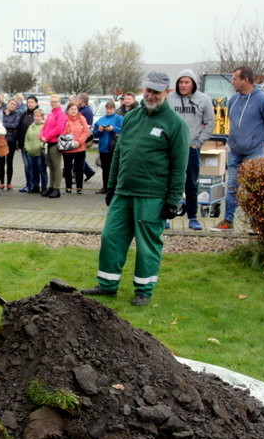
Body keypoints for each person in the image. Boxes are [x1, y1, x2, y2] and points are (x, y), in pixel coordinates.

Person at [81, 71, 188, 306]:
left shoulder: (176, 124)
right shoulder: (132, 117)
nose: (150, 96)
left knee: (147, 244)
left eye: (156, 92)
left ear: (167, 93)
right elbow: (119, 152)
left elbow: (180, 166)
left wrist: (172, 200)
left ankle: (144, 290)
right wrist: (111, 186)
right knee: (111, 237)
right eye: (148, 90)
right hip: (123, 192)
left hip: (152, 195)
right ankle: (107, 285)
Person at [212, 66, 264, 231]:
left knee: (254, 189)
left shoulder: (263, 99)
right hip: (234, 151)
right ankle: (228, 220)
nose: (232, 82)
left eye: (235, 78)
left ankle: (255, 224)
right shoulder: (233, 99)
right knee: (232, 187)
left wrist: (262, 140)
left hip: (254, 152)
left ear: (246, 80)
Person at [168, 69, 214, 231]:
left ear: (193, 83)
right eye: (181, 82)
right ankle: (166, 216)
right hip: (171, 148)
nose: (183, 85)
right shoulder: (170, 99)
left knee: (191, 183)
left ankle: (193, 217)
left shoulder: (204, 99)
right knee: (169, 181)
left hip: (191, 148)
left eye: (187, 82)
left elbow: (210, 123)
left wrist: (199, 142)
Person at [38, 94, 67, 197]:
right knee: (50, 165)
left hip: (55, 142)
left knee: (56, 166)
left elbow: (59, 129)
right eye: (52, 101)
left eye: (55, 101)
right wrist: (41, 135)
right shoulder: (51, 114)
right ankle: (51, 187)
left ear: (59, 102)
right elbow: (44, 127)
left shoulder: (61, 114)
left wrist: (47, 137)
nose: (53, 103)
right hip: (49, 142)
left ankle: (56, 188)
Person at [92, 100, 123, 195]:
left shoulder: (119, 118)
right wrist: (100, 130)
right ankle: (105, 187)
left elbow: (124, 129)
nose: (109, 111)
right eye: (107, 109)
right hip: (103, 148)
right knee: (105, 169)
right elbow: (94, 133)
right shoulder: (101, 120)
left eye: (111, 109)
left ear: (114, 109)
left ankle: (114, 188)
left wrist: (113, 128)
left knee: (114, 169)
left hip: (114, 148)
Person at [61, 102, 91, 194]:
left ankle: (79, 188)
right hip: (68, 148)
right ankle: (68, 187)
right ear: (68, 110)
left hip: (80, 148)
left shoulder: (82, 118)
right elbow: (62, 132)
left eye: (75, 109)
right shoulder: (64, 119)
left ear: (78, 110)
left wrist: (79, 142)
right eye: (71, 109)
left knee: (79, 168)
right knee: (67, 168)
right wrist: (71, 142)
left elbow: (86, 132)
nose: (73, 111)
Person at [16, 95, 40, 192]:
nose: (30, 104)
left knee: (34, 166)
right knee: (27, 166)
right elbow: (19, 129)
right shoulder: (24, 114)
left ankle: (35, 185)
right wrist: (18, 143)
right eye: (28, 102)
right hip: (24, 146)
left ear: (36, 103)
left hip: (35, 146)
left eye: (32, 102)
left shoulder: (39, 114)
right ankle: (28, 185)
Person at [24, 108, 48, 194]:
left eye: (38, 116)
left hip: (40, 152)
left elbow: (46, 138)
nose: (36, 118)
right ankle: (35, 186)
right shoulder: (31, 126)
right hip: (31, 152)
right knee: (33, 171)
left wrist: (42, 146)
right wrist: (26, 148)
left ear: (42, 117)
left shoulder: (45, 126)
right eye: (35, 116)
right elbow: (26, 138)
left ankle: (44, 187)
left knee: (42, 170)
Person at [0, 98, 21, 191]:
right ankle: (1, 182)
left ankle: (9, 183)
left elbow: (15, 125)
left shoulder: (16, 114)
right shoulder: (1, 113)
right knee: (1, 162)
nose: (12, 106)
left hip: (11, 140)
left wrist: (3, 125)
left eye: (14, 105)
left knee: (9, 162)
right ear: (7, 103)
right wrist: (7, 125)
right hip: (1, 140)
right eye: (11, 104)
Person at [77, 93, 97, 182]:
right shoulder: (82, 109)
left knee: (79, 157)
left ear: (82, 100)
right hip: (79, 136)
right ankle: (88, 171)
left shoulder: (86, 111)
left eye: (78, 99)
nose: (77, 100)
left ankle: (84, 172)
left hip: (83, 137)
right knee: (78, 157)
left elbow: (87, 125)